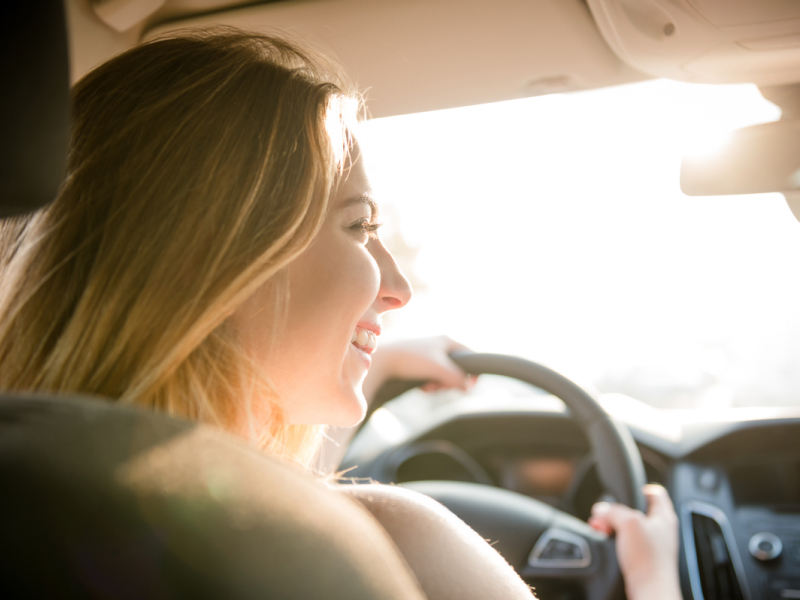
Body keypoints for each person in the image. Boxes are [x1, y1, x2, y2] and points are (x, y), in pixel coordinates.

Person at [0, 28, 681, 600]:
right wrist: (654, 585)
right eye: (359, 227)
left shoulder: (36, 499)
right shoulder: (396, 543)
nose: (397, 287)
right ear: (224, 260)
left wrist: (376, 362)